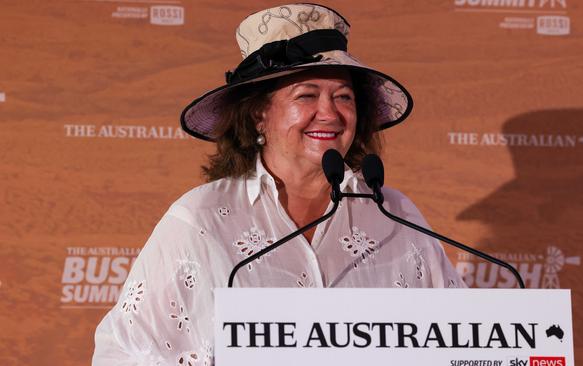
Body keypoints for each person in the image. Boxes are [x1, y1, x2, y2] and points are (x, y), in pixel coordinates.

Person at [92, 3, 464, 365]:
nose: (330, 113)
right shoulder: (200, 221)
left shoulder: (396, 215)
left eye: (343, 97)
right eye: (306, 95)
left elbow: (461, 340)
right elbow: (124, 353)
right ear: (258, 114)